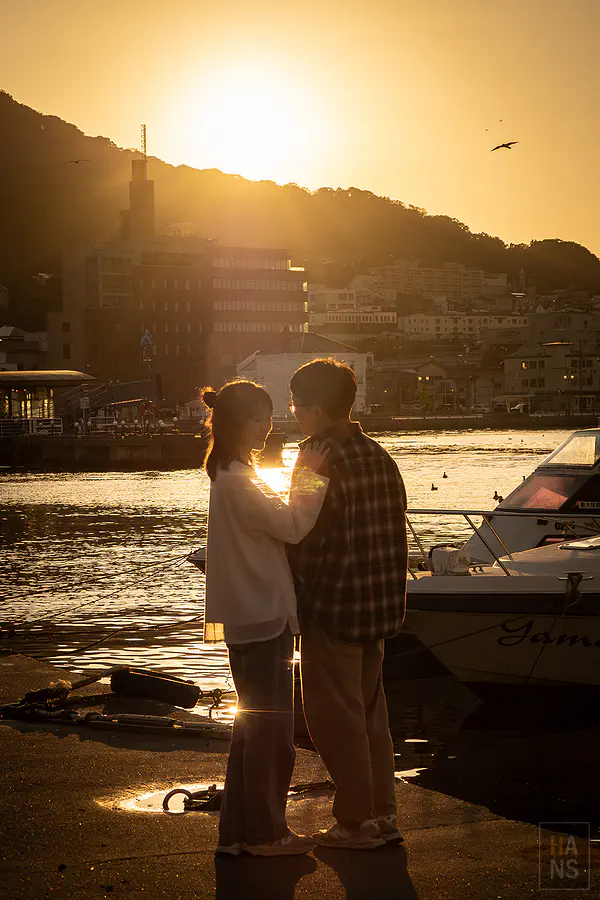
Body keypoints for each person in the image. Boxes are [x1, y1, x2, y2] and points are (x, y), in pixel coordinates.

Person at [201, 380, 330, 858]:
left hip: (245, 617)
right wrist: (310, 474)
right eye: (259, 418)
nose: (267, 426)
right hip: (263, 616)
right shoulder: (240, 481)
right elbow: (294, 525)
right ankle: (265, 834)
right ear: (238, 422)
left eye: (269, 416)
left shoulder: (227, 475)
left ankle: (238, 833)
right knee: (272, 735)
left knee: (250, 732)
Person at [287, 357, 408, 851]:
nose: (293, 413)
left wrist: (292, 597)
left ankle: (355, 823)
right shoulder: (380, 455)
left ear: (316, 410)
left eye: (296, 405)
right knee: (371, 717)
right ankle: (384, 815)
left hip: (333, 609)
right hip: (378, 608)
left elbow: (302, 530)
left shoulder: (314, 459)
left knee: (335, 720)